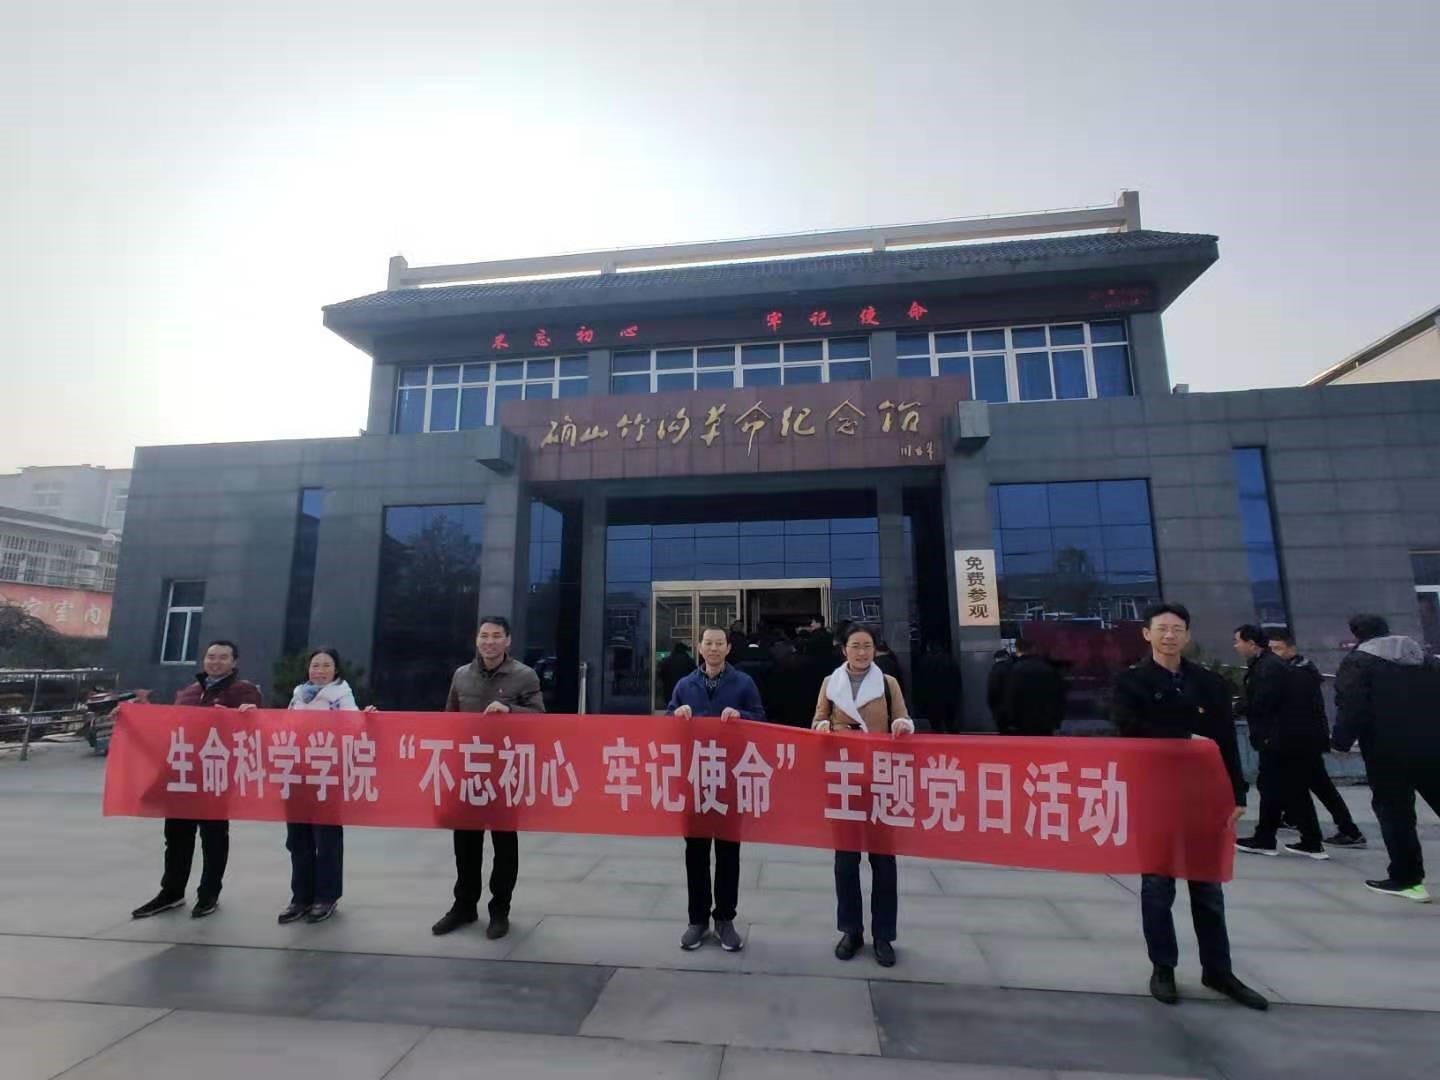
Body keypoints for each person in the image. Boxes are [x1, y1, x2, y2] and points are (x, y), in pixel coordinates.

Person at [1111, 603, 1268, 1010]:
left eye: (1177, 629)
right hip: (1156, 794)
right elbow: (1129, 729)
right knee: (1157, 886)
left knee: (1208, 887)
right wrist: (1183, 737)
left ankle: (1218, 970)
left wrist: (1237, 793)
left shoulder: (1209, 683)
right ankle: (1163, 967)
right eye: (1162, 628)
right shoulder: (1131, 682)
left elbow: (1225, 740)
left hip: (1204, 795)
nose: (1169, 636)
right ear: (1146, 634)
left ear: (1187, 635)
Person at [130, 640, 263, 920]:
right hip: (183, 773)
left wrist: (246, 715)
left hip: (216, 774)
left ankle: (208, 894)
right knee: (176, 836)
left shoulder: (244, 691)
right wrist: (136, 714)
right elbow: (170, 726)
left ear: (234, 662)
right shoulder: (190, 691)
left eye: (223, 657)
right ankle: (171, 892)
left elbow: (253, 725)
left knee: (213, 837)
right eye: (211, 656)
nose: (215, 662)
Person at [432, 616, 545, 938]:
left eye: (496, 636)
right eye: (484, 635)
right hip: (468, 769)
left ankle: (500, 910)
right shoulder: (461, 675)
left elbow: (540, 718)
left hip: (505, 770)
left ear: (508, 640)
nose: (489, 642)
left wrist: (511, 711)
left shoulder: (524, 675)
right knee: (465, 843)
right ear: (476, 639)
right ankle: (464, 906)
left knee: (504, 844)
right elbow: (450, 719)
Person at [812, 624, 914, 968]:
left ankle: (883, 935)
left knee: (883, 860)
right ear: (844, 650)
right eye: (855, 646)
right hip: (844, 778)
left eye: (867, 646)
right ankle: (851, 930)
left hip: (879, 777)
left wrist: (902, 727)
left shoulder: (887, 683)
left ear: (875, 649)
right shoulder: (831, 683)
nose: (861, 652)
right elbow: (817, 720)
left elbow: (903, 717)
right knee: (846, 860)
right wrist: (823, 728)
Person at [667, 626, 765, 951]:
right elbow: (667, 723)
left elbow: (761, 720)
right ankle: (697, 920)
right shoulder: (685, 685)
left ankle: (725, 919)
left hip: (729, 779)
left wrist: (742, 716)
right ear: (699, 647)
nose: (713, 648)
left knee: (728, 854)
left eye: (719, 643)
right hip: (695, 779)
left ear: (728, 648)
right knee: (695, 853)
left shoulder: (744, 683)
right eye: (708, 643)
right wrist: (676, 714)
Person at [1333, 614, 1440, 903]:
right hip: (1432, 745)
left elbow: (1351, 705)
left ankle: (1407, 879)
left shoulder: (1359, 662)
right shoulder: (1425, 659)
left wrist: (1341, 742)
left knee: (1395, 813)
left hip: (1387, 749)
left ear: (1356, 634)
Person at [275, 648, 359, 925]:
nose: (320, 670)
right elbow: (285, 728)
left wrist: (366, 719)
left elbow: (355, 728)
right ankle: (300, 897)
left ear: (336, 670)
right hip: (296, 775)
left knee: (326, 840)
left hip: (326, 776)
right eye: (315, 665)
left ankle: (326, 896)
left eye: (326, 665)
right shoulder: (299, 695)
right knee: (297, 840)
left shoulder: (342, 696)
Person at [1232, 625, 1328, 859]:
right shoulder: (1268, 664)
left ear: (1251, 643)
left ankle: (1271, 839)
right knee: (1285, 789)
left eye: (1238, 641)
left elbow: (1263, 702)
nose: (1236, 646)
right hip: (1283, 738)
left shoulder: (1268, 667)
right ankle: (1303, 840)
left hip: (1278, 739)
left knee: (1278, 788)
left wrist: (1236, 707)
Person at [1266, 629, 1366, 847]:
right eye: (1270, 649)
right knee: (1311, 783)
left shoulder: (1298, 672)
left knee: (1315, 785)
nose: (1273, 654)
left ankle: (1346, 830)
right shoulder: (1298, 668)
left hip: (1303, 739)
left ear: (1291, 648)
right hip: (1304, 737)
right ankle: (1340, 827)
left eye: (1278, 648)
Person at [1000, 637, 1066, 736]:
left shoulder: (1014, 670)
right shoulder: (1047, 669)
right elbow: (1058, 696)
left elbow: (1010, 697)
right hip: (1046, 722)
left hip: (1022, 722)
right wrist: (1056, 720)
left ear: (1017, 649)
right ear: (1033, 648)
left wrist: (1009, 721)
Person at [914, 641, 962, 735]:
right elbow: (957, 680)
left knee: (936, 725)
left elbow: (920, 682)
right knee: (951, 722)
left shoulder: (924, 661)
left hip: (931, 698)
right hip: (949, 698)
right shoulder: (949, 660)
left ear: (929, 648)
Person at [986, 647, 1016, 732]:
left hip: (1000, 708)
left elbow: (992, 691)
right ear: (1006, 657)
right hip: (1013, 708)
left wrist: (992, 706)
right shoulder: (1013, 668)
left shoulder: (995, 670)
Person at [657, 641, 695, 706]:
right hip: (685, 690)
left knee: (671, 706)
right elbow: (695, 674)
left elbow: (661, 674)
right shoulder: (689, 661)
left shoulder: (666, 660)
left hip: (669, 689)